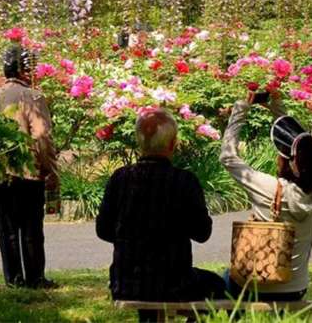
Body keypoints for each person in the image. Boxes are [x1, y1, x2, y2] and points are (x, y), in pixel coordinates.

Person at [96, 108, 226, 319]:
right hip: (176, 283)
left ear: (139, 143)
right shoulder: (184, 181)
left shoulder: (120, 178)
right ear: (173, 143)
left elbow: (103, 230)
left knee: (151, 286)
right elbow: (203, 233)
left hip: (126, 282)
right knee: (219, 286)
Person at [220, 91, 312, 301]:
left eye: (280, 155)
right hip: (296, 290)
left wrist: (240, 110)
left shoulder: (269, 187)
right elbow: (303, 147)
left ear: (287, 162)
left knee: (225, 279)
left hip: (258, 287)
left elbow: (227, 156)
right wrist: (278, 109)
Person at [0, 45, 59, 289]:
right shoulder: (32, 97)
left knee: (6, 228)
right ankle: (35, 277)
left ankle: (14, 278)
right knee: (31, 227)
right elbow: (42, 136)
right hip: (29, 171)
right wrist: (51, 169)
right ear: (24, 70)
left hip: (0, 173)